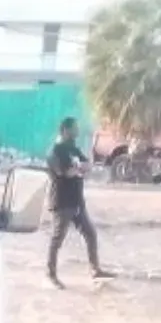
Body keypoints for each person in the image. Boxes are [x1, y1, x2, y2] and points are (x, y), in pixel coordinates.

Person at [46, 117, 113, 287]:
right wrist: (79, 168)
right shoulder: (55, 152)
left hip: (77, 202)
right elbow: (65, 173)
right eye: (74, 128)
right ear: (64, 130)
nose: (77, 131)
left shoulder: (73, 149)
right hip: (62, 202)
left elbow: (88, 165)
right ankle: (50, 274)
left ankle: (95, 270)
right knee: (57, 239)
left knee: (90, 234)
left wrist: (81, 167)